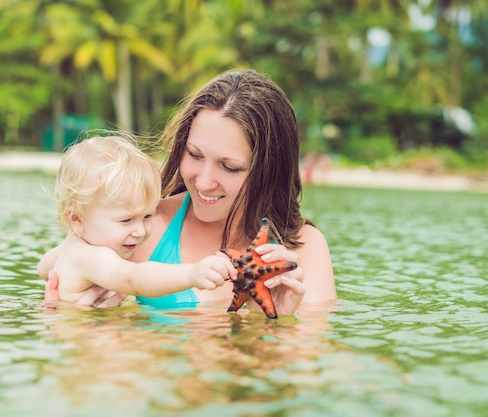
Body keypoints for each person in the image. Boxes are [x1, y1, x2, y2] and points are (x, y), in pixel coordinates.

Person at [40, 69, 336, 315]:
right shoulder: (141, 228)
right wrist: (64, 312)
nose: (204, 182)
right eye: (194, 155)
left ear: (269, 171)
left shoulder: (304, 250)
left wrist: (277, 321)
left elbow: (306, 375)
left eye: (229, 167)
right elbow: (57, 270)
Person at [40, 134, 237, 306]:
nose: (141, 231)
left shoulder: (72, 245)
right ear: (77, 219)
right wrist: (191, 274)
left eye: (147, 216)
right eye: (126, 220)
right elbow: (133, 279)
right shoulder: (93, 257)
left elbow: (43, 269)